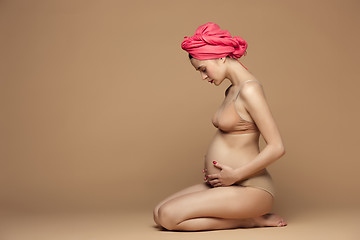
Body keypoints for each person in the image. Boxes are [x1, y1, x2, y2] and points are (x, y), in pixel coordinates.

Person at [153, 22, 287, 231]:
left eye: (203, 69)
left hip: (250, 188)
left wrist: (235, 175)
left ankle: (250, 220)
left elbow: (277, 147)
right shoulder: (231, 90)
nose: (203, 77)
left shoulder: (250, 90)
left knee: (169, 217)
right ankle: (247, 218)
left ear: (221, 57)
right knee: (159, 213)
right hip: (229, 185)